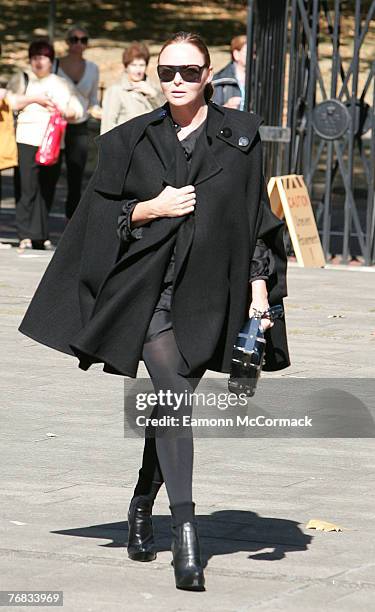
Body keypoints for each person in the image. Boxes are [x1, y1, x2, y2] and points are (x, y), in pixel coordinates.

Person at [18, 31, 290, 591]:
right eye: (168, 71)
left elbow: (255, 222)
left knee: (171, 406)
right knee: (174, 398)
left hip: (213, 295)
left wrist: (260, 297)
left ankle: (143, 499)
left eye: (189, 71)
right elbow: (97, 219)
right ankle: (186, 535)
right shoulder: (129, 141)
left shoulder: (240, 136)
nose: (177, 81)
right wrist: (150, 207)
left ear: (209, 76)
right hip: (150, 296)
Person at [7, 39, 83, 249]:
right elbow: (11, 102)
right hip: (26, 138)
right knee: (26, 188)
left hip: (53, 142)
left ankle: (40, 235)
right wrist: (35, 99)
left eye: (44, 58)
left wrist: (64, 111)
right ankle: (25, 234)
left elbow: (77, 109)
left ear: (51, 61)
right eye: (35, 58)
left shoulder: (61, 82)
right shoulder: (22, 79)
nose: (39, 62)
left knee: (47, 188)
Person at [56, 26, 101, 219]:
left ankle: (71, 223)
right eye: (74, 39)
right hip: (56, 126)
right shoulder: (54, 65)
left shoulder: (92, 68)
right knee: (49, 175)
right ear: (67, 42)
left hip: (79, 127)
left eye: (83, 40)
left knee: (76, 177)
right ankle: (38, 231)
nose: (78, 44)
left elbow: (93, 101)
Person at [100, 42, 163, 135]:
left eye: (141, 65)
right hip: (126, 146)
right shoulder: (116, 91)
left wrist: (154, 95)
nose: (138, 70)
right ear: (126, 67)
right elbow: (107, 127)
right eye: (133, 65)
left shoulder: (154, 88)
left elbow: (166, 116)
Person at [212, 34, 247, 110]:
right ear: (236, 54)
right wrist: (226, 107)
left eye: (254, 53)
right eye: (247, 53)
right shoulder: (220, 80)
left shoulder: (259, 80)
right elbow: (211, 112)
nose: (252, 56)